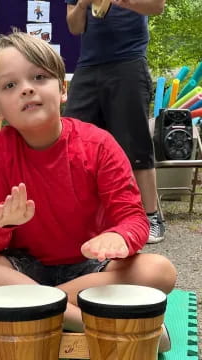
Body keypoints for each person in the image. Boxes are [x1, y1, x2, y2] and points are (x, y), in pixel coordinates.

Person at [0, 31, 176, 351]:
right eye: (10, 85)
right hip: (21, 267)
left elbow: (134, 219)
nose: (26, 88)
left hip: (90, 270)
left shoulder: (99, 143)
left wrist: (120, 237)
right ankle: (84, 319)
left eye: (39, 77)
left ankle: (33, 305)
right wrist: (0, 222)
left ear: (62, 89)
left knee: (159, 271)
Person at [63, 0, 166, 243]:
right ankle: (79, 217)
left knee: (135, 142)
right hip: (87, 66)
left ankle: (151, 217)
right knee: (71, 140)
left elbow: (157, 6)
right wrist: (83, 4)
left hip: (129, 61)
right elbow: (74, 27)